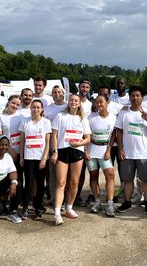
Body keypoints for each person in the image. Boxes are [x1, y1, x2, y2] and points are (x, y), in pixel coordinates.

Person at [115, 86, 147, 214]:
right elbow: (119, 131)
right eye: (133, 95)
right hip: (127, 153)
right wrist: (120, 149)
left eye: (137, 96)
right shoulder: (124, 112)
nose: (135, 98)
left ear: (142, 97)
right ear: (129, 97)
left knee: (146, 180)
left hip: (144, 153)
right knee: (128, 180)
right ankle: (127, 202)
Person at [51, 94, 91, 225]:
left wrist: (78, 144)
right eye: (71, 100)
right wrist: (55, 151)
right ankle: (57, 213)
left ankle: (69, 208)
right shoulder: (60, 116)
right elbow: (54, 135)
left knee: (74, 182)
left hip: (77, 152)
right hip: (62, 151)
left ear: (79, 103)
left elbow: (87, 139)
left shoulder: (83, 119)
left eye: (76, 100)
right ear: (68, 102)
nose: (73, 102)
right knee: (61, 182)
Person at [19, 99, 51, 220]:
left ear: (42, 109)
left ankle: (38, 208)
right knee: (29, 183)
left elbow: (47, 142)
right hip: (28, 157)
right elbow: (22, 140)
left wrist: (44, 158)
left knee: (40, 184)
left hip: (41, 158)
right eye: (33, 107)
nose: (35, 109)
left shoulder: (46, 122)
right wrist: (22, 156)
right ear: (30, 108)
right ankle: (25, 208)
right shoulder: (25, 122)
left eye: (38, 107)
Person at [86, 94, 116, 217]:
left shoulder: (113, 118)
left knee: (110, 175)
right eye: (96, 102)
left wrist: (109, 150)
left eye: (101, 102)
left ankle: (110, 204)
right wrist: (85, 151)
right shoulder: (90, 118)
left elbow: (114, 135)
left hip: (105, 150)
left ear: (107, 102)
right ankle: (97, 202)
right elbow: (85, 134)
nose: (99, 104)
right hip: (92, 150)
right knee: (93, 176)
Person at [0, 95, 23, 188]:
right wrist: (10, 150)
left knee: (19, 176)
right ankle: (4, 199)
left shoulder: (21, 116)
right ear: (8, 102)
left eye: (18, 104)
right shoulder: (0, 117)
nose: (15, 106)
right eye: (13, 103)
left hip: (20, 151)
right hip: (6, 152)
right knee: (6, 177)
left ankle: (17, 200)